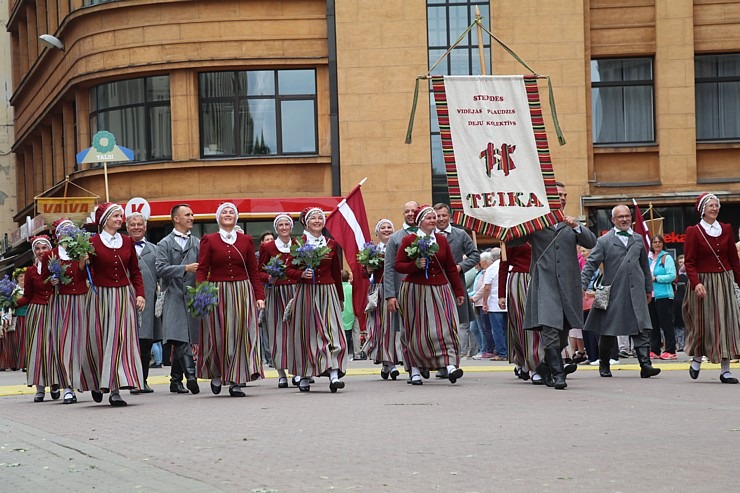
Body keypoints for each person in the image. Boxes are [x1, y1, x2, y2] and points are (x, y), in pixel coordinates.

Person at [509, 182, 597, 389]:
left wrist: (577, 226)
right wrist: (521, 221)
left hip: (568, 284)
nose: (563, 198)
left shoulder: (572, 223)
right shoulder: (537, 223)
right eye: (559, 194)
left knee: (563, 333)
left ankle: (543, 368)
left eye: (565, 194)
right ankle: (559, 375)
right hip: (545, 283)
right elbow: (512, 240)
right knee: (549, 327)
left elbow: (592, 242)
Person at [581, 205, 659, 380]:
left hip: (637, 291)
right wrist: (582, 285)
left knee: (642, 328)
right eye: (620, 217)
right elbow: (591, 264)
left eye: (627, 216)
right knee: (609, 330)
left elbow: (645, 267)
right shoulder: (604, 241)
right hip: (613, 292)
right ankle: (604, 364)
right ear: (613, 220)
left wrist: (648, 288)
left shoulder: (638, 239)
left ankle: (645, 365)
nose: (624, 219)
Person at [196, 202, 265, 397]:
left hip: (242, 291)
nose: (228, 215)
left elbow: (253, 270)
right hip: (218, 291)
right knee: (218, 335)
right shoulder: (209, 240)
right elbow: (202, 268)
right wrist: (201, 292)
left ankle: (236, 380)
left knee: (241, 334)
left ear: (236, 217)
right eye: (224, 212)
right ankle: (216, 374)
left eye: (231, 212)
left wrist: (259, 296)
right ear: (218, 217)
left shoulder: (246, 240)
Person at [394, 205, 465, 385]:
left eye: (434, 217)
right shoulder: (409, 240)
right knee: (417, 331)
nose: (433, 220)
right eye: (429, 218)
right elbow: (398, 265)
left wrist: (458, 291)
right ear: (420, 222)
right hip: (415, 290)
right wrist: (415, 264)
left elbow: (450, 267)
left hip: (441, 288)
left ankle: (449, 365)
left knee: (447, 327)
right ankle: (415, 369)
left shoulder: (441, 240)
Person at [85, 202, 146, 406]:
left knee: (121, 340)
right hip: (100, 296)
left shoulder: (128, 241)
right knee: (101, 340)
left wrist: (140, 294)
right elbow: (82, 273)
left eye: (121, 216)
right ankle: (98, 381)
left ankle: (116, 389)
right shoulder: (92, 242)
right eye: (116, 216)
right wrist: (81, 262)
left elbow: (135, 272)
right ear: (104, 220)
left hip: (123, 295)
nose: (120, 219)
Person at [286, 207, 347, 392]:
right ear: (305, 222)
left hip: (328, 292)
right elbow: (288, 270)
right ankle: (304, 374)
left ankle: (334, 375)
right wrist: (301, 274)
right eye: (313, 218)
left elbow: (336, 272)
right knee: (308, 334)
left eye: (320, 217)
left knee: (333, 332)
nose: (318, 220)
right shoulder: (298, 242)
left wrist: (340, 297)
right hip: (306, 293)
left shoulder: (331, 244)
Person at [682, 193, 740, 384]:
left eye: (716, 205)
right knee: (703, 323)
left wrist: (738, 282)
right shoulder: (693, 231)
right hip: (703, 282)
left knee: (726, 323)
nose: (714, 209)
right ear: (702, 209)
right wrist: (696, 283)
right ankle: (697, 357)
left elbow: (733, 259)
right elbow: (689, 262)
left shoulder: (726, 229)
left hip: (724, 280)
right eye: (711, 206)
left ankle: (725, 370)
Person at [156, 204, 201, 395]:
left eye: (192, 214)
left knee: (184, 337)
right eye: (187, 215)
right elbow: (160, 268)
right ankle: (191, 376)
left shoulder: (197, 242)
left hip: (192, 296)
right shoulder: (164, 243)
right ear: (176, 219)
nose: (192, 217)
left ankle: (175, 381)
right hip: (173, 295)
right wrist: (184, 268)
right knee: (181, 337)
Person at [433, 203, 480, 377]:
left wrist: (461, 266)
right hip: (434, 286)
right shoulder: (428, 236)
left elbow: (475, 254)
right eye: (437, 216)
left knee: (459, 324)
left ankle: (453, 362)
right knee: (438, 325)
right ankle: (441, 363)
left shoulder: (459, 235)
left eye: (444, 215)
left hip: (455, 285)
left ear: (450, 217)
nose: (441, 219)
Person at [48, 218, 90, 404]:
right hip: (62, 302)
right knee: (64, 342)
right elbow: (42, 281)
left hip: (82, 300)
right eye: (64, 231)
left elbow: (89, 275)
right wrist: (51, 282)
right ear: (58, 236)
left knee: (83, 342)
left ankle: (87, 381)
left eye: (71, 231)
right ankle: (67, 387)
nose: (67, 235)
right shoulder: (52, 255)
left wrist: (83, 265)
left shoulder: (81, 251)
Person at [257, 213, 298, 388]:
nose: (283, 227)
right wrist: (269, 278)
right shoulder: (268, 247)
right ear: (276, 228)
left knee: (297, 331)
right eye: (280, 225)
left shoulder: (298, 245)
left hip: (296, 291)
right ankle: (281, 373)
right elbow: (259, 271)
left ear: (291, 227)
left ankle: (297, 371)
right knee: (277, 331)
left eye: (286, 224)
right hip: (276, 292)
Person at [16, 236, 59, 402]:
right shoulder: (31, 272)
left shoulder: (56, 268)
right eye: (38, 249)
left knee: (54, 347)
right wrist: (12, 303)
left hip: (54, 308)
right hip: (36, 311)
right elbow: (27, 296)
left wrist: (58, 285)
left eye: (44, 248)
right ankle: (40, 387)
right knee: (38, 348)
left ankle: (55, 383)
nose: (41, 252)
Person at [362, 218, 403, 380]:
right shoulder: (372, 250)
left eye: (389, 227)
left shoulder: (398, 248)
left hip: (397, 290)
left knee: (396, 327)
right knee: (383, 328)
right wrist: (368, 269)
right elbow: (362, 273)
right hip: (379, 292)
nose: (386, 230)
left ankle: (391, 362)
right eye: (383, 228)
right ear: (377, 233)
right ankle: (389, 363)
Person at [498, 243, 545, 383]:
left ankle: (556, 360)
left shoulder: (543, 232)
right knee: (525, 324)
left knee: (549, 320)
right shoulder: (513, 237)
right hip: (520, 281)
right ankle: (533, 365)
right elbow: (504, 265)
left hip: (543, 277)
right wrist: (501, 294)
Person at [126, 212, 162, 394]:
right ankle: (130, 379)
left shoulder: (155, 250)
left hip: (148, 303)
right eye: (133, 224)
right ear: (127, 227)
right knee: (128, 342)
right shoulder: (120, 248)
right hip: (125, 300)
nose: (136, 227)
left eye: (140, 224)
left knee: (146, 342)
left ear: (145, 226)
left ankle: (143, 379)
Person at [385, 200, 419, 378]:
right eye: (407, 211)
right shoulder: (395, 238)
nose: (411, 214)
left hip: (425, 290)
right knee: (407, 330)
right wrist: (390, 295)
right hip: (403, 291)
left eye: (414, 211)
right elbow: (389, 267)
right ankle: (412, 366)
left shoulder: (430, 235)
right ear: (403, 214)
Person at [648, 234, 677, 360]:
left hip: (664, 295)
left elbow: (672, 275)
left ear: (663, 243)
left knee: (666, 323)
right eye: (655, 242)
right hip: (651, 295)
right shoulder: (648, 259)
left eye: (659, 242)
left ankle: (670, 350)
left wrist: (656, 278)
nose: (657, 244)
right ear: (651, 244)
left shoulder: (667, 257)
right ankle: (655, 349)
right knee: (653, 323)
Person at [482, 249, 507, 361]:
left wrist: (484, 303)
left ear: (492, 258)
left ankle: (502, 352)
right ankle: (510, 351)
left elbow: (487, 287)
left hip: (494, 303)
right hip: (508, 302)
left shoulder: (491, 269)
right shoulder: (509, 266)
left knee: (497, 330)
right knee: (507, 330)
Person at [673, 254, 687, 352]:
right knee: (679, 323)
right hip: (678, 301)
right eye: (680, 262)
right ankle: (680, 344)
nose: (682, 265)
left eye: (684, 263)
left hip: (688, 300)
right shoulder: (677, 275)